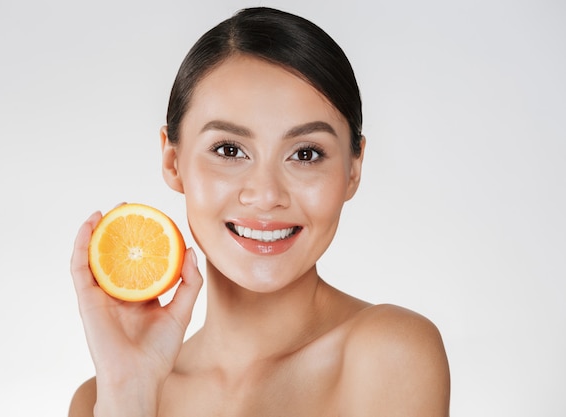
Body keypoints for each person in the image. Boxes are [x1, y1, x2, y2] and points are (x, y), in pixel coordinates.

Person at [69, 7, 450, 417]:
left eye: (305, 154)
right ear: (172, 160)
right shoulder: (99, 399)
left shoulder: (389, 353)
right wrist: (130, 393)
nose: (267, 195)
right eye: (229, 150)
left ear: (353, 169)